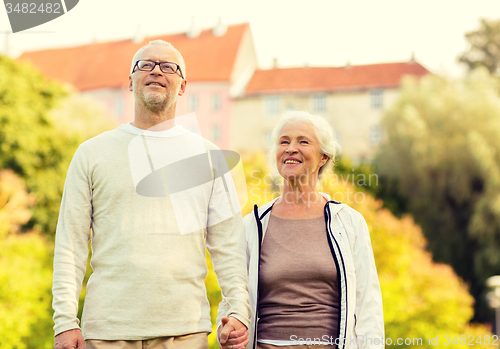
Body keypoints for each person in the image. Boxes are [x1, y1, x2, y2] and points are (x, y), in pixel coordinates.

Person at [52, 40, 251, 349]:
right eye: (146, 65)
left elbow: (230, 246)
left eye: (168, 67)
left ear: (183, 86)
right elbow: (70, 245)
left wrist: (238, 310)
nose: (157, 71)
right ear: (130, 81)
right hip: (107, 330)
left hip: (184, 330)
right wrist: (65, 322)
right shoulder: (91, 153)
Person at [217, 111, 384, 349]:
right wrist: (226, 332)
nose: (291, 148)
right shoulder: (251, 226)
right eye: (284, 141)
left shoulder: (349, 223)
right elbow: (232, 296)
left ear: (323, 157)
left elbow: (368, 306)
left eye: (303, 141)